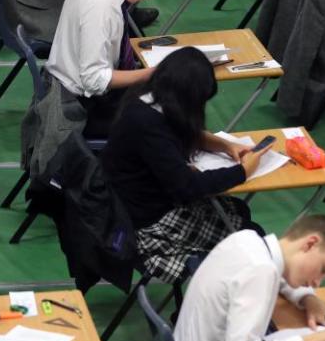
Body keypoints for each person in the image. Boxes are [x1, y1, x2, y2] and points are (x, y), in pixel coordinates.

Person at [103, 46, 272, 283]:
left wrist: (224, 145)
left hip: (141, 205)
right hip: (148, 223)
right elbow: (187, 187)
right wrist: (242, 171)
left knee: (239, 212)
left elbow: (179, 130)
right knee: (251, 239)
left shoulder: (146, 100)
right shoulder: (146, 124)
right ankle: (213, 295)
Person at [45, 0, 175, 136]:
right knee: (167, 124)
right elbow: (93, 80)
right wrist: (150, 74)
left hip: (62, 86)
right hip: (80, 107)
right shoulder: (102, 3)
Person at [174, 215, 325, 341]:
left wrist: (309, 299)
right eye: (322, 270)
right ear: (309, 244)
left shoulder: (247, 240)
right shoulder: (261, 270)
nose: (317, 283)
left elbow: (280, 275)